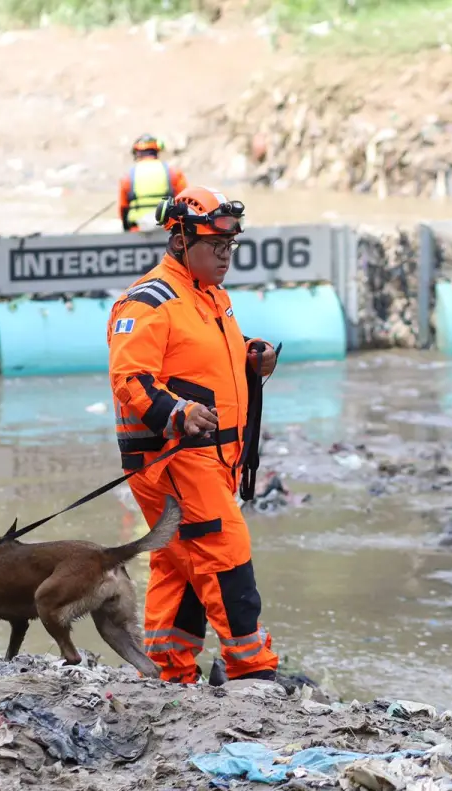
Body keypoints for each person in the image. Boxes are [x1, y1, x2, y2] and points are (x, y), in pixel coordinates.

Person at [106, 186, 284, 686]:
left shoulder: (210, 297)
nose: (227, 257)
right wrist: (176, 411)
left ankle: (166, 671)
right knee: (225, 555)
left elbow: (203, 357)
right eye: (217, 247)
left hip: (212, 458)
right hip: (175, 459)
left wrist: (252, 355)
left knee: (180, 565)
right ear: (182, 240)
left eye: (232, 247)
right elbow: (130, 378)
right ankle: (254, 672)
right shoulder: (149, 302)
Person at [118, 134, 187, 233]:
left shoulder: (128, 176)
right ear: (157, 151)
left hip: (138, 232)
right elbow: (184, 202)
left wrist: (126, 230)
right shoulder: (173, 173)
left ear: (137, 153)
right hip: (168, 231)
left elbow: (123, 208)